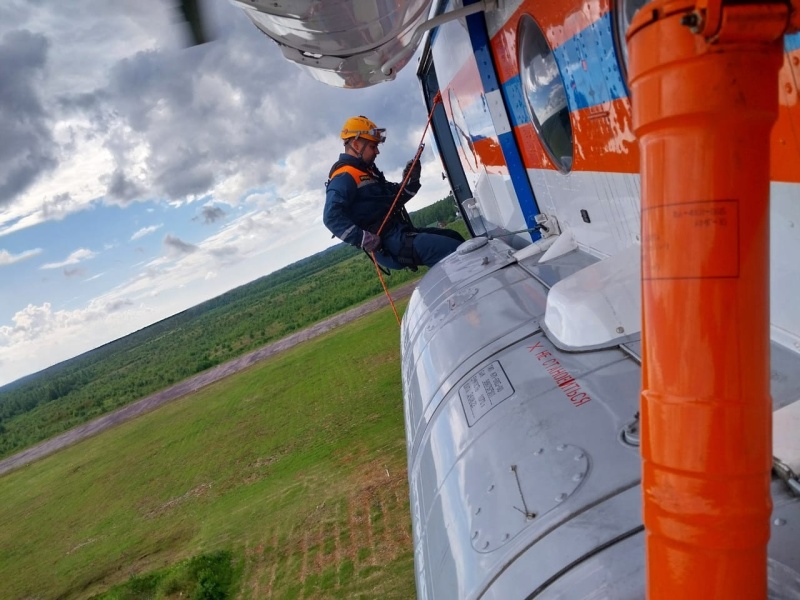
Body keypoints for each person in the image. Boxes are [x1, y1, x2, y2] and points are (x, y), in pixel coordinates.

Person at [323, 116, 464, 271]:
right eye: (373, 146)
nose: (377, 151)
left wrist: (411, 180)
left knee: (453, 237)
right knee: (455, 250)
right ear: (356, 144)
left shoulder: (367, 173)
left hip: (400, 233)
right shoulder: (344, 177)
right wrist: (364, 239)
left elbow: (395, 199)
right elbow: (331, 217)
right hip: (390, 243)